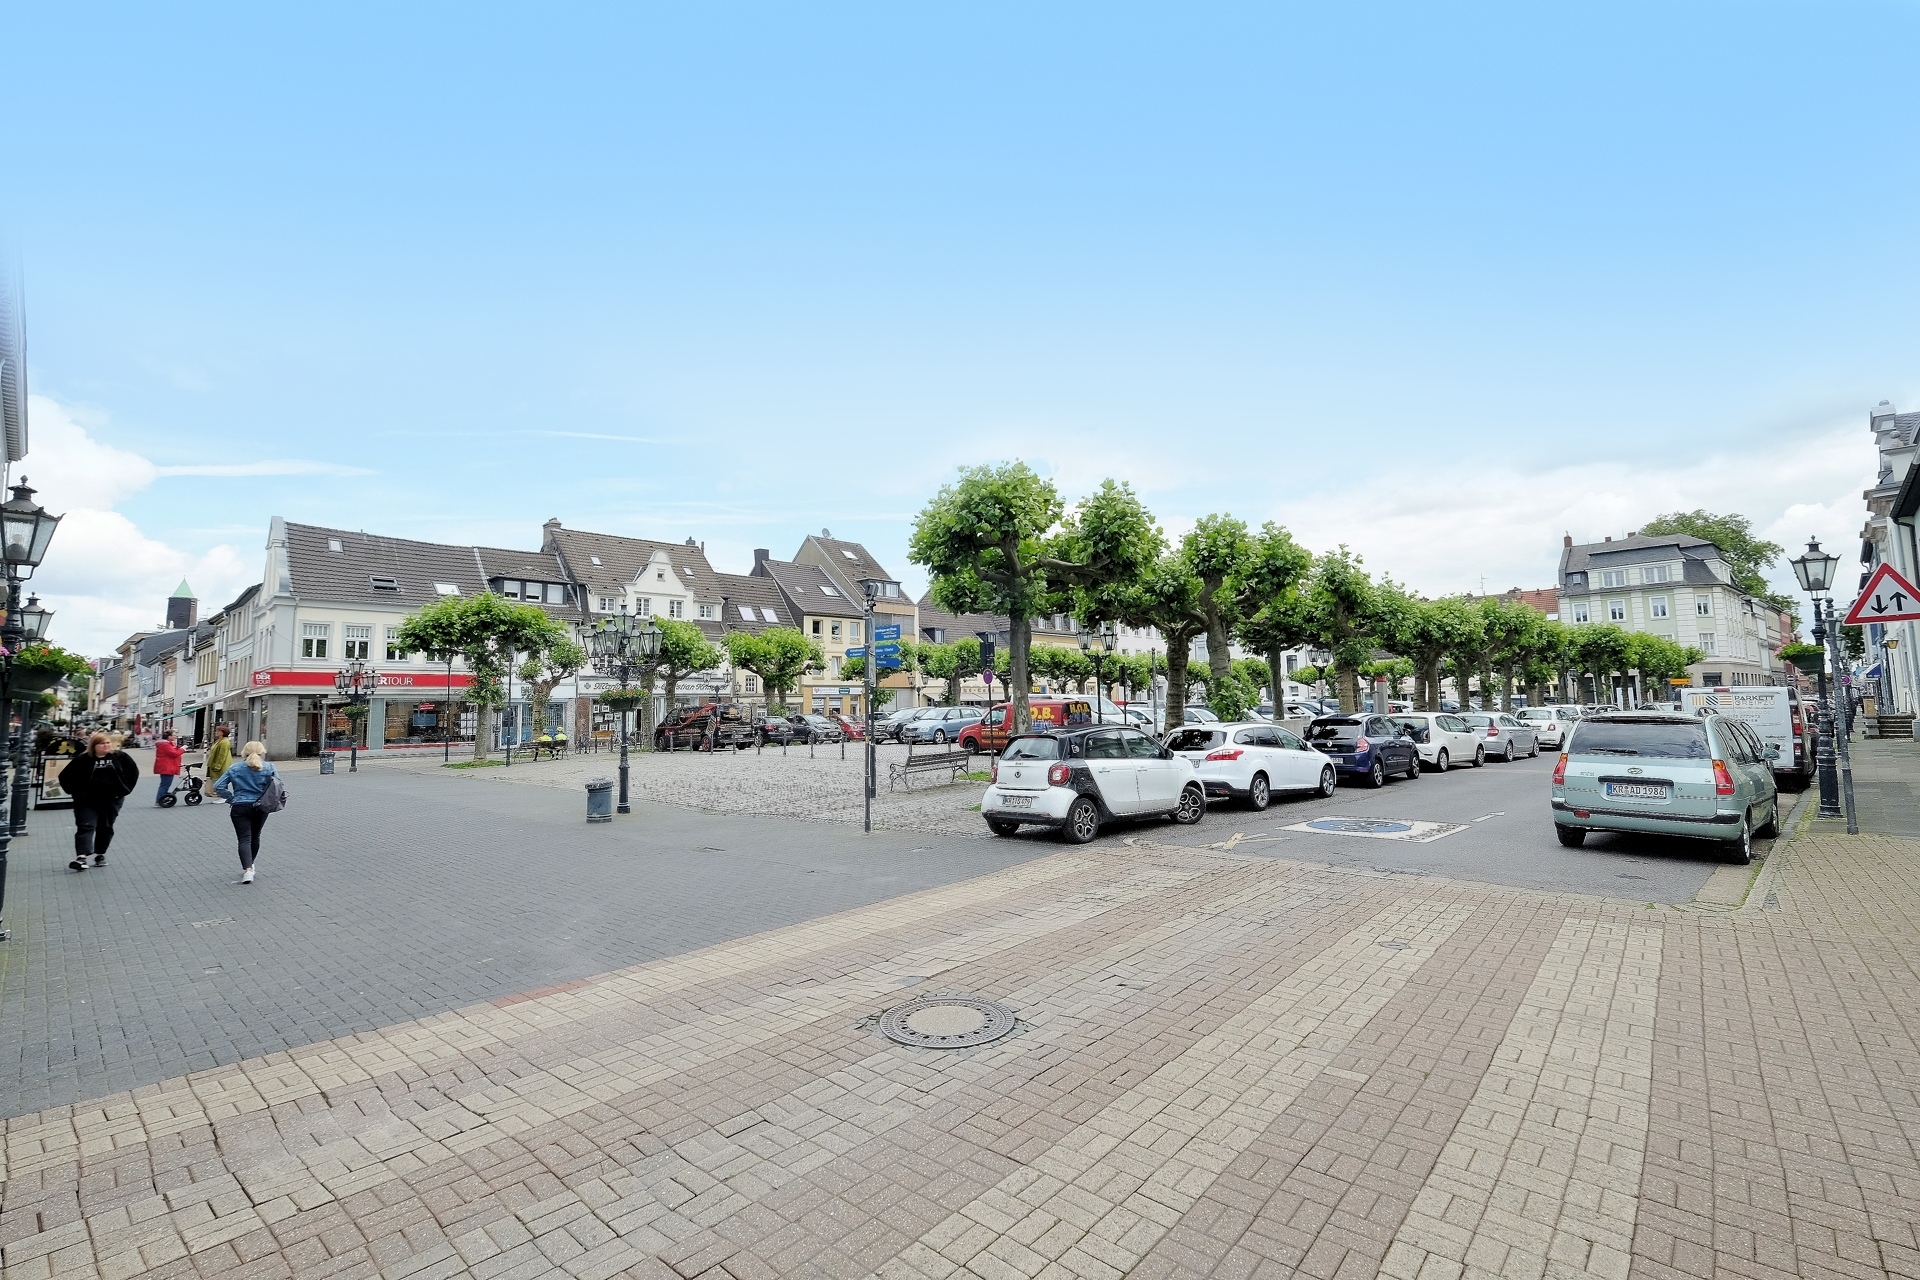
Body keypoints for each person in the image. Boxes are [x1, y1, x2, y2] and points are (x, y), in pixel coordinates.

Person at [59, 732, 139, 870]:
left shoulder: (120, 757)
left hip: (111, 799)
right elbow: (65, 776)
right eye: (102, 744)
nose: (106, 746)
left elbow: (133, 772)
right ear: (94, 746)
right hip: (86, 800)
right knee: (86, 825)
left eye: (108, 743)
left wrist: (125, 790)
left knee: (105, 826)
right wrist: (74, 793)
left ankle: (100, 854)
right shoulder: (83, 759)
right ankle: (81, 857)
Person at [214, 740, 278, 884]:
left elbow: (218, 786)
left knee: (244, 839)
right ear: (262, 752)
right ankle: (251, 865)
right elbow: (277, 786)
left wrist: (230, 798)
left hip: (240, 806)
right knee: (256, 836)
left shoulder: (235, 768)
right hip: (261, 807)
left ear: (244, 752)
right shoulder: (269, 767)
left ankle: (247, 870)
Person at [153, 730, 184, 804]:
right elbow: (174, 753)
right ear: (169, 736)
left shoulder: (168, 744)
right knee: (165, 784)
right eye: (174, 735)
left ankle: (162, 798)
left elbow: (171, 754)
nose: (175, 736)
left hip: (166, 766)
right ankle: (159, 801)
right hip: (167, 767)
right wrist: (183, 749)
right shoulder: (165, 745)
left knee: (165, 784)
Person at [205, 725, 233, 799]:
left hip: (221, 765)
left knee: (220, 782)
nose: (216, 732)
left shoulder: (224, 742)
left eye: (218, 731)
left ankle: (223, 797)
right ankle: (220, 796)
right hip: (215, 764)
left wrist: (217, 766)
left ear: (223, 733)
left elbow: (222, 755)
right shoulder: (219, 741)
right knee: (217, 781)